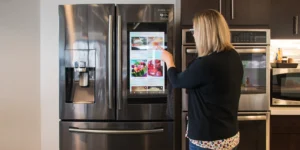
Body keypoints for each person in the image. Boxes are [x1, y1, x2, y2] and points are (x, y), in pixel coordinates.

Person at [160, 9, 243, 150]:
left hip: (208, 141)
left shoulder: (206, 64)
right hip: (230, 136)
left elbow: (177, 81)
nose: (194, 34)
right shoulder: (234, 56)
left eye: (195, 30)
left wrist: (169, 61)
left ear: (204, 33)